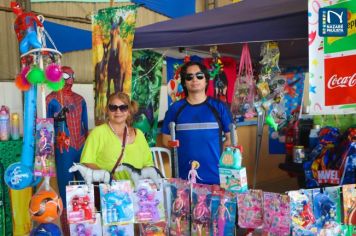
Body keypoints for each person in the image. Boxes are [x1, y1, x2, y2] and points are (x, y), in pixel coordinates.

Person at [162, 61, 233, 185]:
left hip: (216, 177)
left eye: (199, 76)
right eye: (189, 77)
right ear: (184, 82)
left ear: (206, 80)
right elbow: (165, 139)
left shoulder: (219, 107)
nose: (194, 79)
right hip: (183, 177)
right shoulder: (175, 108)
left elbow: (231, 138)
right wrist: (177, 145)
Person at [80, 92, 154, 181]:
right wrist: (107, 176)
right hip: (108, 190)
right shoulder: (97, 133)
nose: (118, 111)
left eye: (123, 108)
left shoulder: (139, 134)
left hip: (137, 190)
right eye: (113, 108)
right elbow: (87, 161)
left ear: (129, 111)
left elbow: (148, 163)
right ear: (107, 110)